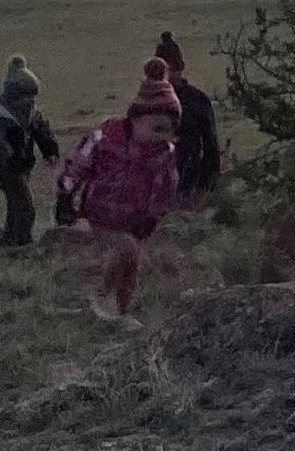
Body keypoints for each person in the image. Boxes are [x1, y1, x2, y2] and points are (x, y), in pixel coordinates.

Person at [57, 60, 185, 321]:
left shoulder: (162, 155)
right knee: (125, 248)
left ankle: (122, 310)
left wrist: (152, 217)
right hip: (99, 212)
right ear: (136, 118)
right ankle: (100, 294)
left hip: (134, 219)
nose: (163, 136)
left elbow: (165, 188)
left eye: (170, 131)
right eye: (157, 128)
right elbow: (80, 162)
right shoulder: (108, 137)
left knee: (132, 262)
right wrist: (66, 193)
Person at [0, 56, 61, 247]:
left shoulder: (29, 110)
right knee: (25, 205)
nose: (31, 102)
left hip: (21, 163)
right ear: (15, 93)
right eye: (28, 97)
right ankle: (23, 243)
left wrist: (50, 149)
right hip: (2, 166)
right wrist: (10, 161)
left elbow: (41, 129)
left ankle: (9, 240)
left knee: (15, 202)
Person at [153, 30, 223, 200]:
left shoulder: (197, 100)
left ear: (181, 66)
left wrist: (207, 186)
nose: (169, 75)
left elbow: (210, 147)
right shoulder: (149, 103)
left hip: (189, 183)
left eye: (173, 68)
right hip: (154, 186)